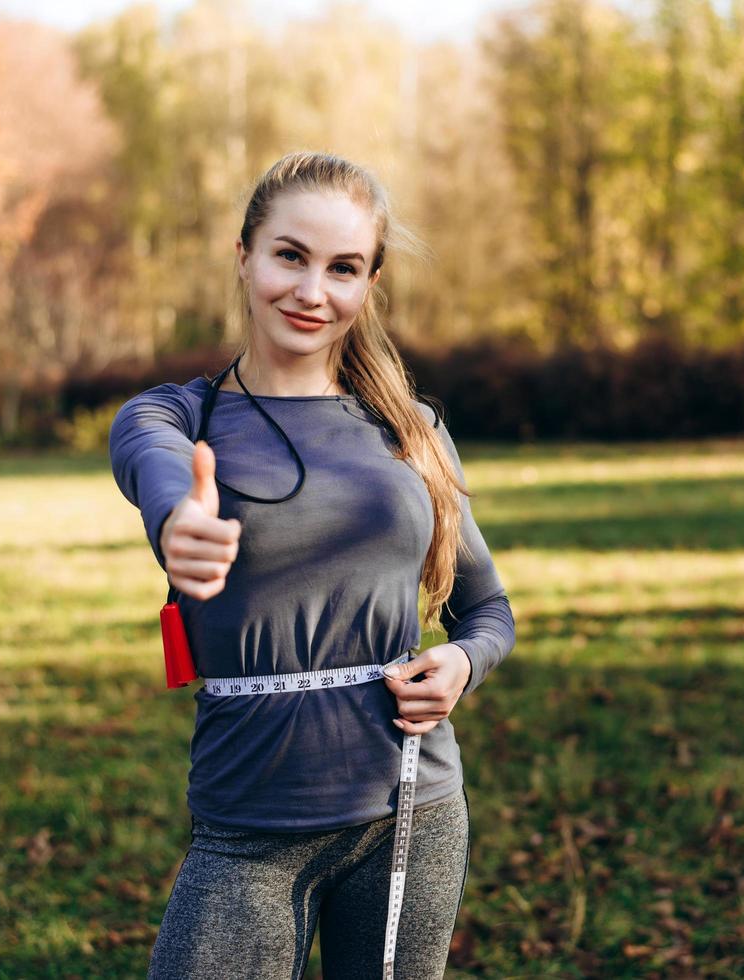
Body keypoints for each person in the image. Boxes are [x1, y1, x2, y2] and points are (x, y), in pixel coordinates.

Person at [107, 150, 516, 979]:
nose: (311, 291)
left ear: (369, 285)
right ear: (245, 254)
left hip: (414, 808)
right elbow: (153, 470)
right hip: (249, 826)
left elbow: (489, 611)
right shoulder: (178, 418)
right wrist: (180, 519)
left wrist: (462, 664)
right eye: (289, 256)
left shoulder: (413, 431)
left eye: (343, 268)